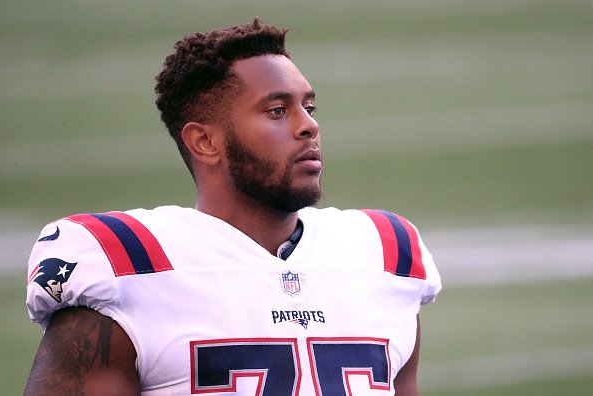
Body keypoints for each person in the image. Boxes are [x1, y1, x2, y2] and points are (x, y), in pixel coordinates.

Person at [25, 19, 441, 395]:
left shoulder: (387, 253)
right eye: (277, 111)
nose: (308, 125)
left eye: (308, 108)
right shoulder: (124, 265)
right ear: (204, 142)